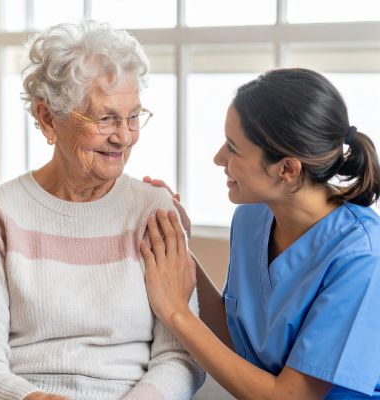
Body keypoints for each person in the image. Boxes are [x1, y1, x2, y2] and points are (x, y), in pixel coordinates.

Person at [0, 21, 205, 400]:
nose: (124, 136)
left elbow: (182, 355)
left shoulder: (154, 211)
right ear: (49, 118)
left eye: (133, 116)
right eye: (105, 119)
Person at [141, 68, 380, 399]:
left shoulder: (361, 257)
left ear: (287, 169)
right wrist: (174, 242)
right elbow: (236, 338)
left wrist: (176, 313)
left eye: (233, 148)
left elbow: (290, 397)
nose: (218, 158)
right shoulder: (252, 216)